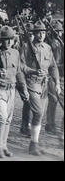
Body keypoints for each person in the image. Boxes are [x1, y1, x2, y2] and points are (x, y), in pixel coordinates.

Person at [0, 26, 30, 158]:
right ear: (0, 40)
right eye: (5, 39)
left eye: (10, 39)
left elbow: (18, 72)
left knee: (8, 120)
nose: (8, 42)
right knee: (1, 118)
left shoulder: (15, 53)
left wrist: (24, 89)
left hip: (11, 90)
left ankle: (4, 145)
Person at [20, 21, 60, 156]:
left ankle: (35, 143)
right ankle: (33, 144)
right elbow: (21, 67)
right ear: (34, 33)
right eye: (38, 32)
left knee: (40, 114)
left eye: (43, 32)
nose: (41, 35)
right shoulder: (26, 47)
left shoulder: (48, 47)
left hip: (44, 84)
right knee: (38, 112)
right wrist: (33, 71)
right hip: (31, 83)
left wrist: (57, 83)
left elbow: (53, 66)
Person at [45, 21, 64, 136]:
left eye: (60, 31)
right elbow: (54, 63)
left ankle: (50, 123)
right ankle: (49, 124)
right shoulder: (53, 44)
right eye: (56, 31)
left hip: (60, 75)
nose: (59, 33)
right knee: (53, 99)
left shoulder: (59, 43)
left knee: (55, 100)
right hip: (52, 74)